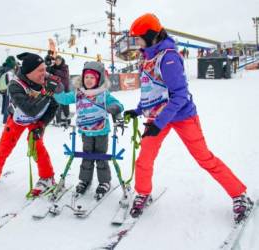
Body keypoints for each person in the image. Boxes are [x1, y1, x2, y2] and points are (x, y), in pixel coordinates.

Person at [124, 13, 253, 223]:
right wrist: (138, 111)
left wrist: (158, 123)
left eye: (138, 37)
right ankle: (143, 192)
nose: (136, 42)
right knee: (144, 158)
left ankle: (239, 194)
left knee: (204, 158)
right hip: (158, 117)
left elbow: (179, 96)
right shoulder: (147, 56)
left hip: (182, 115)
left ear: (150, 36)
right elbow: (152, 91)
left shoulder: (169, 57)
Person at [0, 52, 61, 197]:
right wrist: (47, 93)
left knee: (36, 144)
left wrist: (42, 125)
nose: (44, 73)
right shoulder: (15, 86)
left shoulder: (46, 81)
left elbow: (53, 106)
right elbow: (30, 109)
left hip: (36, 119)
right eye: (40, 70)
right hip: (18, 118)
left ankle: (47, 177)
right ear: (29, 72)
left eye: (44, 69)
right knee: (4, 146)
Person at [54, 61, 124, 197]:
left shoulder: (103, 94)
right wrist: (58, 91)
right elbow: (64, 99)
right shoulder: (78, 93)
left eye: (92, 77)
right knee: (87, 155)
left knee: (101, 156)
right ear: (82, 78)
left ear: (98, 79)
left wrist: (115, 108)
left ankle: (104, 181)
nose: (89, 80)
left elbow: (117, 104)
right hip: (85, 130)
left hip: (101, 131)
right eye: (86, 77)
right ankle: (85, 180)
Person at [47, 55, 71, 126]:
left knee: (65, 104)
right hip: (57, 89)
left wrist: (54, 70)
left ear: (61, 60)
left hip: (65, 89)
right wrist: (49, 68)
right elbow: (49, 71)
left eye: (59, 61)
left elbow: (64, 74)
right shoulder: (53, 67)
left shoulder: (65, 67)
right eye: (56, 61)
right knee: (57, 105)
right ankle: (58, 120)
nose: (57, 62)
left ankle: (67, 118)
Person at [0, 56, 17, 124]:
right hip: (8, 87)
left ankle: (4, 113)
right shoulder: (9, 69)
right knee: (8, 103)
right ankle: (6, 119)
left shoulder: (3, 69)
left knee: (6, 102)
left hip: (4, 87)